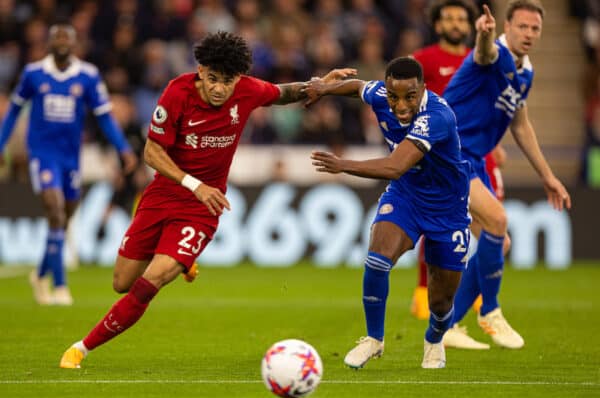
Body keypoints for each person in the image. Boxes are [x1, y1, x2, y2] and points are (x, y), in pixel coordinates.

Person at [58, 31, 354, 369]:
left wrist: (319, 85)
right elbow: (152, 152)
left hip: (203, 207)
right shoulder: (177, 92)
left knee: (150, 281)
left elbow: (284, 93)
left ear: (238, 78)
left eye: (227, 81)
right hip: (163, 194)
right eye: (212, 78)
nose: (219, 88)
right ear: (200, 71)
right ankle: (184, 259)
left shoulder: (248, 90)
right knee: (121, 283)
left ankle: (80, 348)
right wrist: (193, 183)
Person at [307, 57, 472, 369]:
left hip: (447, 208)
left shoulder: (437, 116)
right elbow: (358, 87)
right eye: (393, 96)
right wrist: (326, 88)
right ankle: (373, 339)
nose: (400, 105)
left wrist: (343, 164)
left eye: (409, 96)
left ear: (423, 89)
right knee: (378, 257)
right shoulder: (380, 95)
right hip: (408, 194)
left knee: (440, 301)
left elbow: (395, 166)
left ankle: (435, 339)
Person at [441, 1, 571, 350]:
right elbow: (484, 55)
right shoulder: (493, 53)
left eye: (535, 29)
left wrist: (547, 176)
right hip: (448, 151)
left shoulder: (525, 72)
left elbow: (521, 124)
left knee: (501, 242)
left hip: (474, 158)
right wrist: (483, 35)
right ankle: (490, 311)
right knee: (498, 221)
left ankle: (448, 325)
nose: (528, 34)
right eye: (522, 27)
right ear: (507, 27)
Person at [0, 23, 137, 306]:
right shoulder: (33, 74)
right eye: (57, 37)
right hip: (42, 153)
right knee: (54, 208)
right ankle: (60, 285)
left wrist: (124, 148)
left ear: (75, 44)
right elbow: (13, 112)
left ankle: (39, 273)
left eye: (66, 37)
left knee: (63, 218)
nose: (62, 41)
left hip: (70, 157)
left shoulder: (87, 76)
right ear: (49, 43)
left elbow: (104, 117)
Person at [410, 0, 478, 322]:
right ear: (437, 25)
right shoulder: (422, 60)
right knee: (434, 225)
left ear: (469, 26)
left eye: (460, 19)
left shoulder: (477, 60)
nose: (454, 24)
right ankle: (424, 293)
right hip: (435, 157)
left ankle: (473, 293)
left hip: (476, 151)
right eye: (448, 18)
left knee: (482, 226)